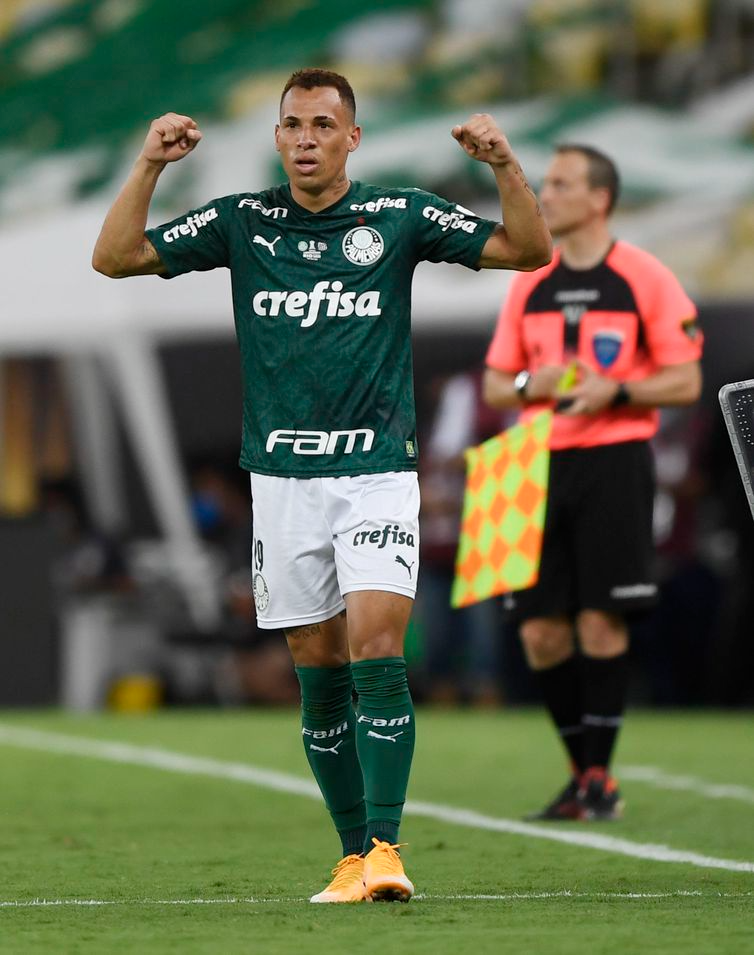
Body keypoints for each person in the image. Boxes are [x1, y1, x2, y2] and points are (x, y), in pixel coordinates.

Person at [92, 68, 551, 902]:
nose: (306, 138)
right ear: (278, 138)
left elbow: (528, 250)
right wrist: (149, 165)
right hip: (282, 481)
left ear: (353, 138)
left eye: (322, 124)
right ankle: (349, 856)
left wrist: (503, 166)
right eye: (293, 124)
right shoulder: (243, 221)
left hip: (377, 471)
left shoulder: (397, 215)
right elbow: (115, 256)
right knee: (317, 667)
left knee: (377, 645)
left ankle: (385, 846)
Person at [483, 144, 703, 821]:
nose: (545, 192)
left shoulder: (644, 276)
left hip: (614, 456)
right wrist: (529, 384)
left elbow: (687, 379)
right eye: (545, 181)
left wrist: (618, 390)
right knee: (539, 634)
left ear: (600, 199)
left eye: (560, 182)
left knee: (601, 619)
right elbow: (496, 382)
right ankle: (585, 776)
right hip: (527, 462)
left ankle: (598, 777)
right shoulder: (530, 277)